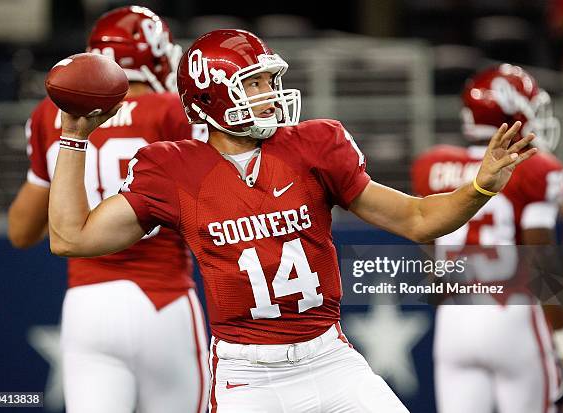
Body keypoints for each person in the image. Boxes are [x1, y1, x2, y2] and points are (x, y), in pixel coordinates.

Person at [48, 29, 536, 413]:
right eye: (254, 82)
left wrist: (480, 188)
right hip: (247, 377)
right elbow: (72, 237)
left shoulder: (314, 145)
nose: (270, 93)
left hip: (330, 358)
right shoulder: (172, 167)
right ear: (213, 95)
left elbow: (418, 219)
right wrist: (72, 137)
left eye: (270, 80)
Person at [8, 6, 208, 413]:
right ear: (150, 53)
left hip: (87, 307)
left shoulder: (53, 113)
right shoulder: (174, 110)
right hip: (163, 299)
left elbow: (21, 231)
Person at [411, 63, 563, 413]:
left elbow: (434, 266)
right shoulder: (533, 168)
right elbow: (542, 260)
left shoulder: (432, 166)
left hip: (454, 325)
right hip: (512, 319)